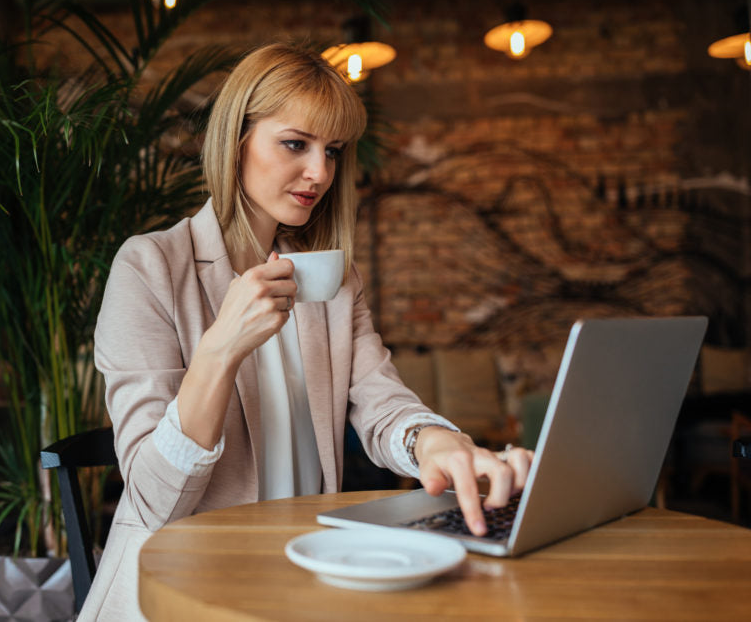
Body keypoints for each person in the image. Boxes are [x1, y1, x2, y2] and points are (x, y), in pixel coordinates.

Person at [80, 42, 533, 620]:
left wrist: (435, 443)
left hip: (305, 576)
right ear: (236, 139)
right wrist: (220, 350)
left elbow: (383, 402)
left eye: (334, 151)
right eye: (295, 143)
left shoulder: (331, 280)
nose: (319, 172)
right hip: (179, 589)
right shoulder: (149, 268)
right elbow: (152, 501)